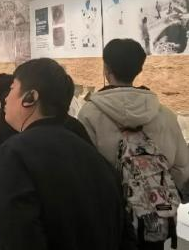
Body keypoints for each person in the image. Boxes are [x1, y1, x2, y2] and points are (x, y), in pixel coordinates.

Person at [0, 58, 135, 250]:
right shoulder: (94, 156)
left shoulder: (15, 154)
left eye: (12, 88)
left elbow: (17, 237)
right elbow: (124, 233)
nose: (6, 98)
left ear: (30, 97)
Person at [78, 38, 189, 250]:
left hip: (110, 219)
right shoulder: (164, 114)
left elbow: (84, 172)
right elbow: (182, 168)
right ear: (139, 69)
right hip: (153, 217)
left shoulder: (89, 114)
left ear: (106, 69)